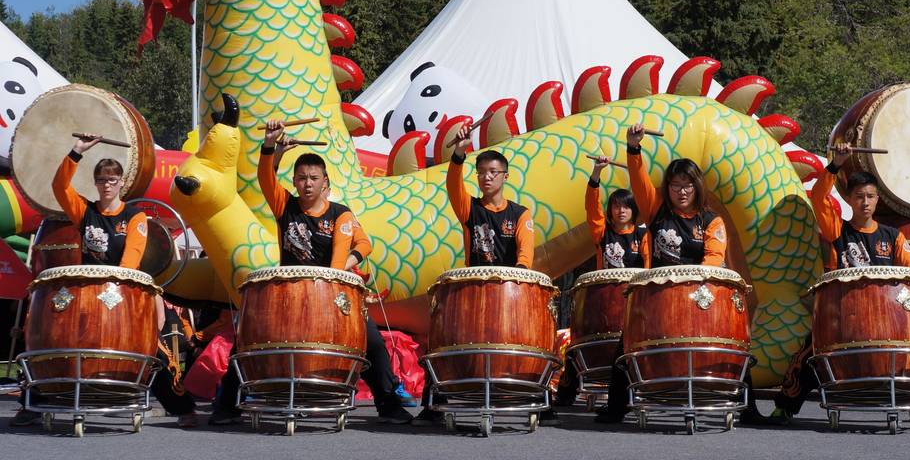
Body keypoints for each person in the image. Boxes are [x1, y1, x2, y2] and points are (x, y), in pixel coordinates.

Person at [209, 120, 412, 425]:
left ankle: (387, 403)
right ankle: (226, 403)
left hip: (333, 293)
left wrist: (342, 266)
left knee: (371, 342)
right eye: (301, 178)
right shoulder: (285, 206)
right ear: (294, 181)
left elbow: (364, 244)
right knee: (249, 340)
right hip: (289, 295)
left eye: (313, 178)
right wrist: (270, 146)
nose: (307, 184)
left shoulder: (339, 213)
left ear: (324, 183)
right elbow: (265, 179)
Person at [10, 134, 198, 427]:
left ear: (121, 182)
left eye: (112, 180)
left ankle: (182, 407)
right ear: (96, 183)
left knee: (152, 352)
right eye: (102, 180)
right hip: (86, 294)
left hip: (122, 291)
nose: (107, 184)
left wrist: (119, 286)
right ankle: (32, 403)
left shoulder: (135, 218)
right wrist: (76, 152)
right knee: (56, 340)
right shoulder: (85, 212)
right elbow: (60, 187)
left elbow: (131, 260)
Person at [766, 143, 910, 423]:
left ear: (877, 199)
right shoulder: (838, 231)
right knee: (806, 358)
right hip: (843, 320)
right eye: (859, 197)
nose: (865, 202)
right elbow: (819, 198)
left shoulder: (892, 237)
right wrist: (835, 165)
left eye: (870, 196)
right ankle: (784, 407)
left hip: (888, 321)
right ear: (850, 200)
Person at [413, 125, 557, 425]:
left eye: (493, 172)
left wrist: (517, 275)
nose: (486, 177)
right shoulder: (470, 209)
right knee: (444, 338)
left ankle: (541, 399)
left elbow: (525, 255)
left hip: (509, 291)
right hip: (474, 292)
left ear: (505, 176)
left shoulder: (520, 214)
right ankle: (434, 401)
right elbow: (454, 187)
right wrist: (458, 155)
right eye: (481, 172)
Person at [594, 123, 731, 423]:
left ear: (697, 186)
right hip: (656, 298)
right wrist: (633, 148)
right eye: (675, 185)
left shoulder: (712, 221)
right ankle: (617, 406)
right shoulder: (656, 208)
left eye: (687, 185)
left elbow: (713, 259)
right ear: (667, 188)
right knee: (625, 348)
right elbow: (639, 179)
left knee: (727, 338)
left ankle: (744, 403)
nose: (681, 191)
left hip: (696, 298)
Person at [555, 157, 647, 406]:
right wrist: (596, 173)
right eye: (616, 206)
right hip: (603, 306)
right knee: (578, 346)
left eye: (626, 206)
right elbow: (591, 206)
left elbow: (648, 268)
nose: (621, 211)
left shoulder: (643, 235)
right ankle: (565, 395)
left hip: (632, 306)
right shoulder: (601, 233)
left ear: (633, 210)